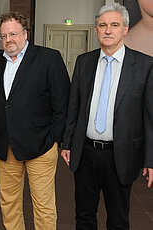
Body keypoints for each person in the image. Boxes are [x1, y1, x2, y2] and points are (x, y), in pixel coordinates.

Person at [61, 3, 153, 229]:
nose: (108, 30)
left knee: (118, 219)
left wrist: (150, 159)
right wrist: (67, 143)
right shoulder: (84, 62)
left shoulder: (144, 65)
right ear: (96, 30)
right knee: (83, 216)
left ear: (125, 29)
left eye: (114, 25)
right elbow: (74, 106)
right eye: (103, 25)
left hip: (120, 155)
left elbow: (150, 118)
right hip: (86, 153)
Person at [0, 11, 70, 230]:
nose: (8, 40)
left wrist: (54, 138)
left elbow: (62, 102)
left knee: (43, 205)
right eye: (4, 36)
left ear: (25, 33)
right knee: (9, 203)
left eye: (13, 34)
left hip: (41, 146)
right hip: (7, 148)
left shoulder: (49, 58)